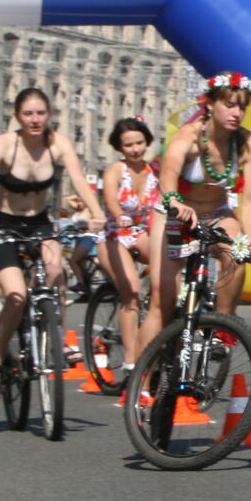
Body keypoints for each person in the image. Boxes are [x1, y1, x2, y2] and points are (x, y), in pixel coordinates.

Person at [0, 87, 106, 401]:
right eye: (28, 114)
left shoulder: (58, 143)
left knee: (55, 268)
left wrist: (97, 212)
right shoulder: (5, 144)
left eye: (41, 113)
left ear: (49, 114)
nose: (35, 120)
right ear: (18, 116)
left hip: (39, 222)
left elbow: (78, 180)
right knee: (16, 296)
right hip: (2, 224)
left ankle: (53, 335)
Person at [139, 75, 251, 358]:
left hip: (217, 212)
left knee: (237, 254)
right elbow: (168, 175)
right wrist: (174, 201)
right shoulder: (189, 137)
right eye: (229, 105)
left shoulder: (247, 143)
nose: (237, 113)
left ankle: (223, 328)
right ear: (209, 104)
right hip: (176, 211)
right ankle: (139, 377)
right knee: (163, 301)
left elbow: (249, 199)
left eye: (242, 107)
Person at [96, 117, 158, 389]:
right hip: (114, 235)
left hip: (140, 233)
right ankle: (132, 361)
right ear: (120, 148)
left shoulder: (154, 172)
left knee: (167, 270)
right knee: (131, 291)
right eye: (128, 145)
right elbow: (110, 199)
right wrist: (119, 215)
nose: (135, 149)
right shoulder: (115, 170)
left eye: (139, 143)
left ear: (147, 142)